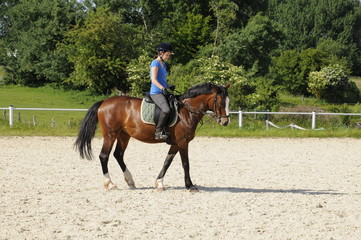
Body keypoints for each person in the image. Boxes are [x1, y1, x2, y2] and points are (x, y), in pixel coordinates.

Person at [149, 43, 175, 140]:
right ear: (161, 53)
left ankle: (167, 129)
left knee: (174, 106)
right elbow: (154, 80)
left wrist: (169, 85)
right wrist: (163, 88)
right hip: (156, 92)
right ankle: (158, 131)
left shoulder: (163, 64)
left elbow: (162, 80)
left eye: (169, 55)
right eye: (167, 55)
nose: (169, 57)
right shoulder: (155, 63)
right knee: (166, 109)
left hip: (163, 91)